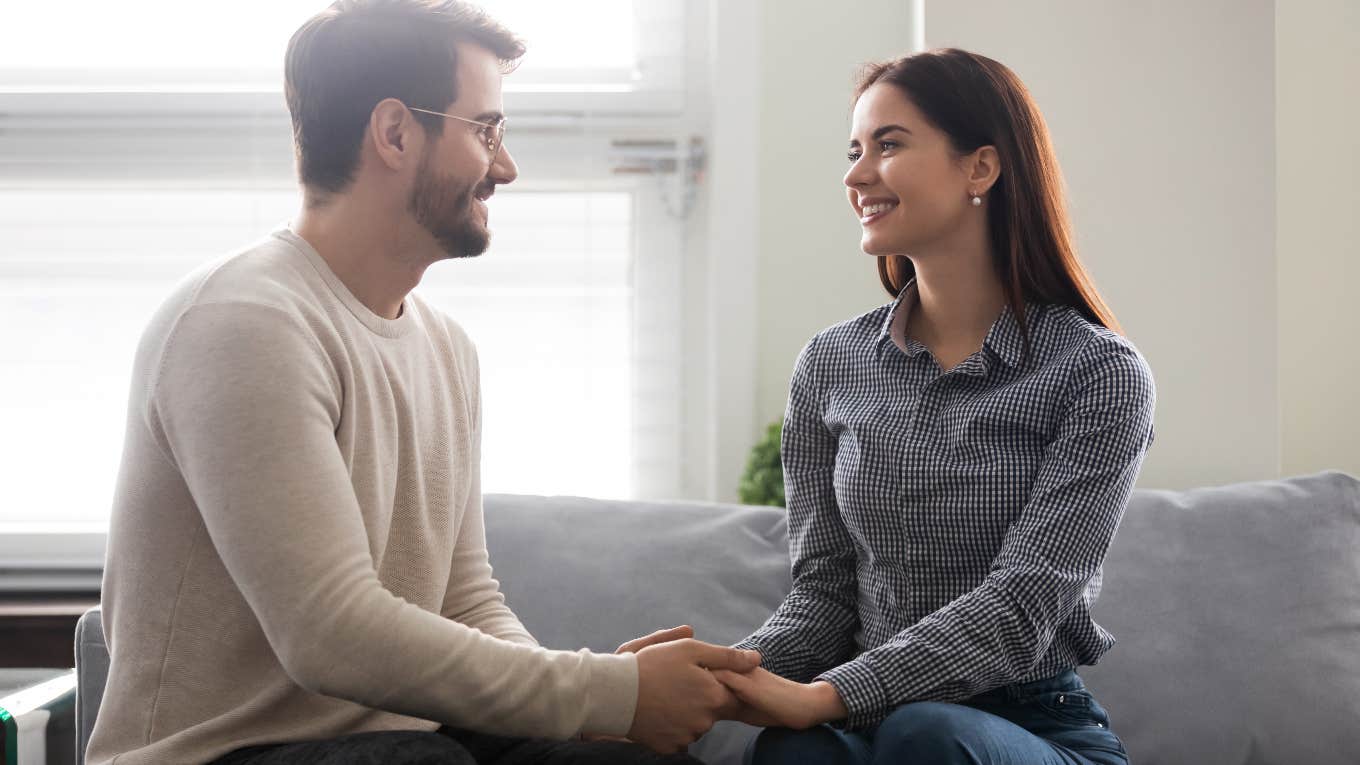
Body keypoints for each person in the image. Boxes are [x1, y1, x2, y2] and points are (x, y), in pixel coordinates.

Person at [85, 2, 758, 763]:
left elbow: (464, 597)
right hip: (215, 752)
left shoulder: (446, 347)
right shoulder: (244, 320)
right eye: (486, 130)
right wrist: (609, 689)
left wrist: (587, 714)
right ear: (397, 132)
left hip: (391, 740)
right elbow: (330, 634)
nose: (505, 166)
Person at [712, 49, 1155, 765]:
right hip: (874, 718)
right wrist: (716, 678)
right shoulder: (830, 364)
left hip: (1032, 725)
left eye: (888, 145)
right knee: (795, 752)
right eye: (854, 150)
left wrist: (827, 696)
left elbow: (1022, 607)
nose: (856, 175)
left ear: (980, 167)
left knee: (923, 733)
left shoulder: (1098, 373)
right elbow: (824, 596)